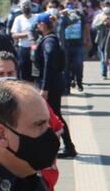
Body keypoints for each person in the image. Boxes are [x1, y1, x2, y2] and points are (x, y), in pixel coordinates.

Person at [0, 51, 63, 191]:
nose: (6, 77)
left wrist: (46, 156)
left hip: (34, 181)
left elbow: (57, 127)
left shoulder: (31, 101)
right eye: (0, 74)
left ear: (17, 73)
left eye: (10, 73)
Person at [33, 11, 77, 159]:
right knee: (53, 114)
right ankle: (65, 145)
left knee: (55, 115)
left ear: (42, 25)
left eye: (38, 24)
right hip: (53, 82)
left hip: (50, 85)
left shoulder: (49, 42)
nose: (36, 26)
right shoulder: (49, 39)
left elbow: (49, 64)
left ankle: (68, 146)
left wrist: (44, 88)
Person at [10, 0, 36, 82]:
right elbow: (14, 35)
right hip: (23, 49)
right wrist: (27, 34)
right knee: (24, 72)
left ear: (31, 6)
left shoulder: (37, 17)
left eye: (27, 5)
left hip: (35, 48)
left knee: (36, 72)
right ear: (20, 8)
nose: (26, 7)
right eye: (23, 6)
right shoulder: (18, 19)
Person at [60, 0, 86, 93]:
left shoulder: (79, 14)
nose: (69, 5)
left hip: (78, 44)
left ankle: (79, 82)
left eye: (71, 3)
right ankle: (67, 87)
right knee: (66, 66)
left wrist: (87, 39)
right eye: (67, 3)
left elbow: (85, 26)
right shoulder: (61, 15)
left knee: (78, 64)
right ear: (64, 4)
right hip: (66, 44)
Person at [92, 0, 110, 79]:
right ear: (101, 7)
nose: (106, 8)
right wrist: (102, 22)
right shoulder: (98, 16)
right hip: (101, 39)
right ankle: (104, 73)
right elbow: (93, 26)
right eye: (104, 6)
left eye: (107, 6)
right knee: (103, 56)